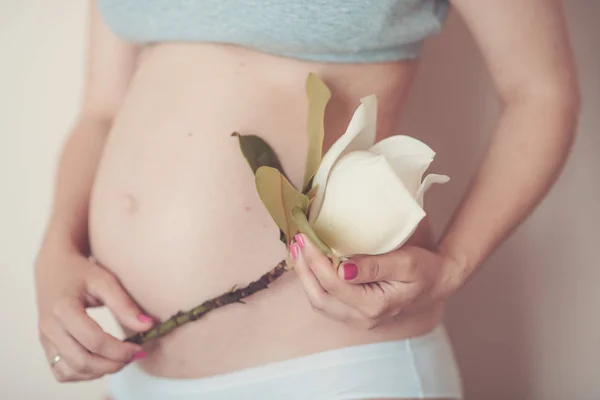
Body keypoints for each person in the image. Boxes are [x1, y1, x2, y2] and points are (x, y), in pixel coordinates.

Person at [34, 0, 579, 399]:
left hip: (335, 366)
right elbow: (100, 113)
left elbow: (540, 91)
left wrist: (454, 267)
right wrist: (55, 251)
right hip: (134, 375)